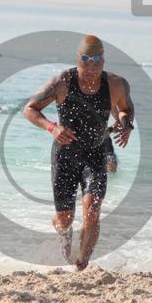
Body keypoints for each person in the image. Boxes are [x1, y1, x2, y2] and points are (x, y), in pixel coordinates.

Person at [23, 35, 134, 270]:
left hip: (95, 154)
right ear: (78, 59)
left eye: (97, 61)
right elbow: (30, 109)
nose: (92, 68)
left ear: (103, 60)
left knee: (92, 209)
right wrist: (52, 127)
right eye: (86, 60)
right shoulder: (62, 82)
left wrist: (126, 124)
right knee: (65, 219)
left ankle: (82, 265)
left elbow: (125, 108)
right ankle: (63, 235)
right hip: (65, 155)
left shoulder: (116, 84)